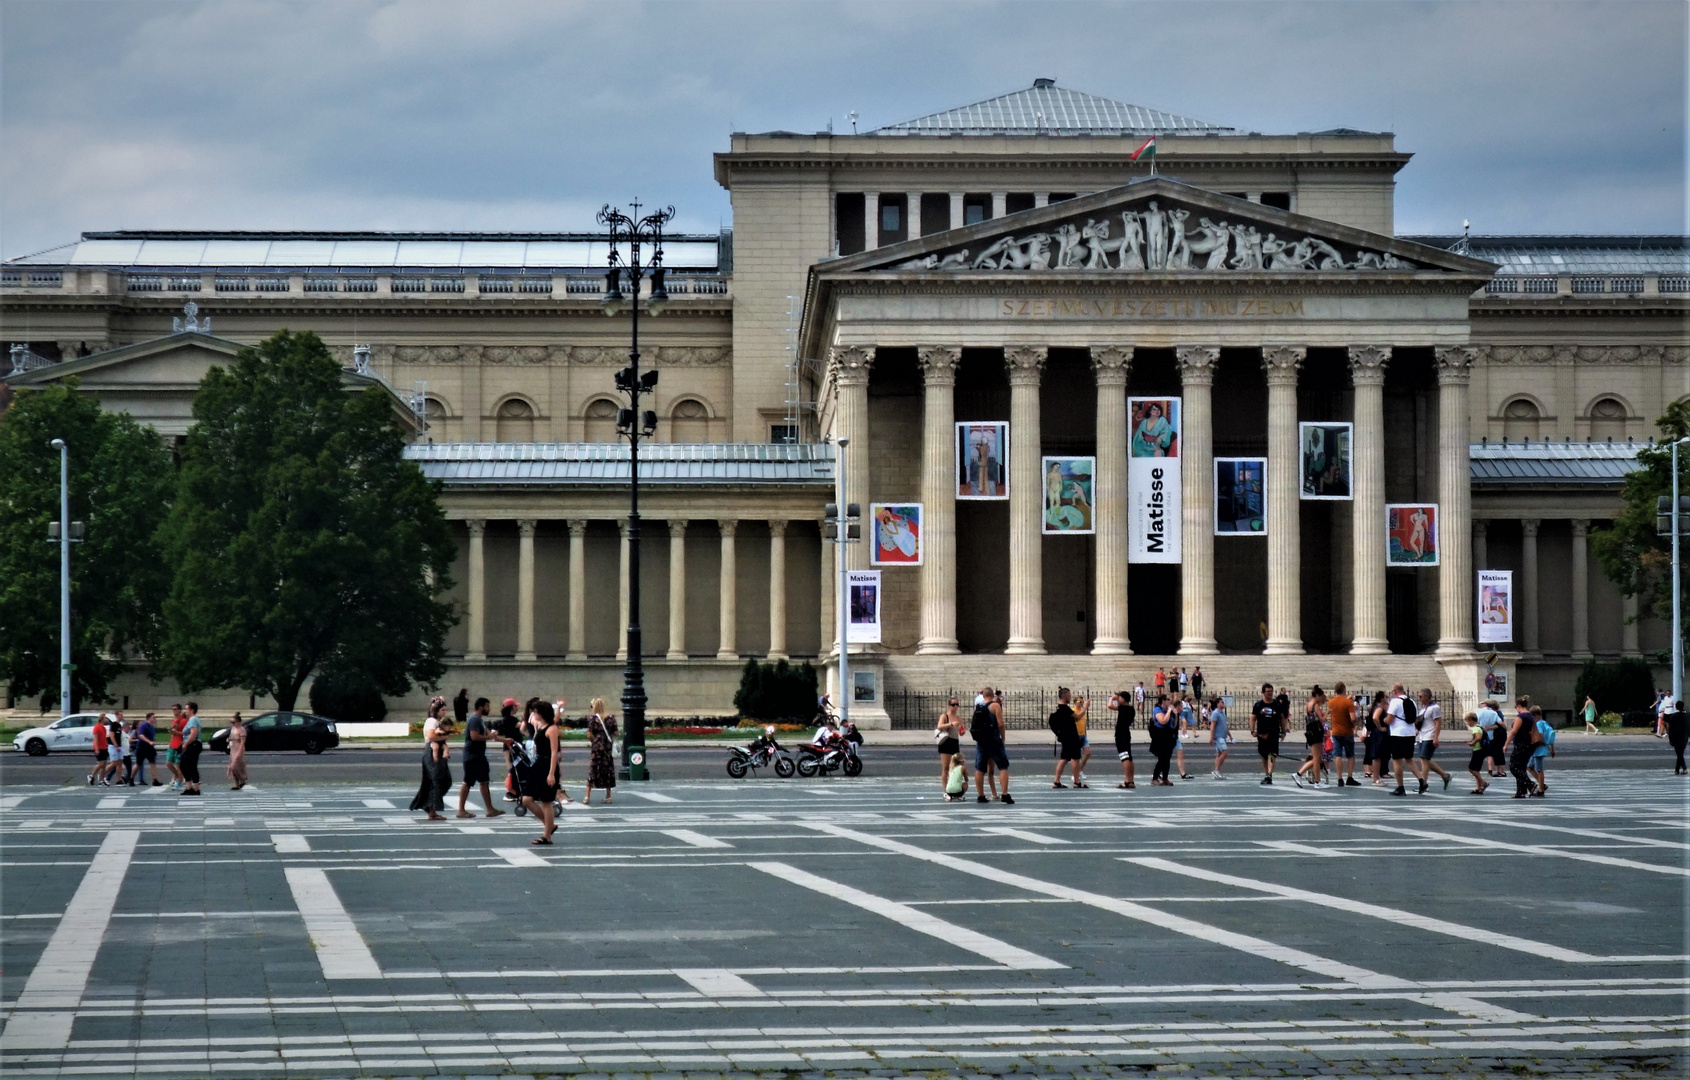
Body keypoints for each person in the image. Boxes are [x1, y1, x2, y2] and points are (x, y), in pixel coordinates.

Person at [457, 697, 506, 818]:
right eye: (487, 706)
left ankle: (490, 809)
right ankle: (461, 810)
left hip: (479, 756)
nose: (489, 709)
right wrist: (489, 738)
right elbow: (474, 736)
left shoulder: (480, 720)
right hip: (472, 756)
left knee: (484, 781)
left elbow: (490, 734)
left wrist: (506, 740)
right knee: (468, 782)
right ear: (481, 707)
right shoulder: (474, 720)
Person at [522, 700, 560, 842]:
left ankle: (547, 835)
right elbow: (527, 724)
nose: (533, 714)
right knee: (527, 799)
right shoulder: (540, 726)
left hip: (547, 765)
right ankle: (549, 825)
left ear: (541, 713)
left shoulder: (552, 729)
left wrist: (551, 773)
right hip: (537, 764)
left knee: (546, 801)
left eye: (536, 711)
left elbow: (554, 752)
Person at [971, 686, 1012, 804]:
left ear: (983, 696)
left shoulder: (978, 707)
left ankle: (981, 795)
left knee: (980, 768)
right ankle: (1004, 794)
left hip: (981, 741)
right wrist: (1002, 737)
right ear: (993, 695)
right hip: (993, 740)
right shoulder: (995, 706)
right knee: (1003, 766)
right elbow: (1000, 724)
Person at [411, 711, 452, 820]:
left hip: (437, 753)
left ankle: (429, 805)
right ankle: (431, 809)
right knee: (436, 782)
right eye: (442, 709)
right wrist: (444, 738)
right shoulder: (432, 721)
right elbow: (431, 737)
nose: (444, 712)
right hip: (433, 753)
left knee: (442, 781)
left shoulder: (436, 722)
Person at [1383, 683, 1417, 797]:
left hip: (1398, 734)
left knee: (1397, 760)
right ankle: (1422, 781)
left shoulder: (1395, 702)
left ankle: (1400, 787)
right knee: (1409, 759)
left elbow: (1389, 719)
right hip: (1410, 733)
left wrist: (1384, 720)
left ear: (1396, 691)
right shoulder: (1412, 701)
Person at [1414, 688, 1450, 793]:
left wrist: (1436, 737)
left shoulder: (1434, 708)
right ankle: (1445, 775)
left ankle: (1423, 783)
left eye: (1421, 696)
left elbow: (1438, 723)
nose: (1419, 698)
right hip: (1422, 736)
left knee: (1424, 759)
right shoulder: (1423, 708)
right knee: (1425, 759)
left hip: (1429, 736)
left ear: (1427, 696)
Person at [1049, 688, 1087, 789]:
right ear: (1065, 695)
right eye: (1069, 695)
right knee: (1075, 758)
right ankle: (1077, 781)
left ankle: (1056, 781)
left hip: (1065, 737)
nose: (1070, 697)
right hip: (1071, 737)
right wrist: (1085, 707)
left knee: (1064, 758)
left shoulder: (1059, 708)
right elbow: (1077, 716)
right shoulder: (1065, 708)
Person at [1503, 695, 1537, 799]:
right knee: (1521, 767)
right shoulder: (1531, 716)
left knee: (1513, 767)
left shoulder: (1521, 717)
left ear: (1518, 706)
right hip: (1529, 745)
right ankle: (1521, 791)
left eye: (1516, 708)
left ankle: (1530, 784)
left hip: (1520, 744)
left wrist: (1506, 745)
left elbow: (1514, 732)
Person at [583, 698, 616, 806]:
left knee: (593, 770)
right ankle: (608, 795)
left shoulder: (593, 719)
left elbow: (589, 734)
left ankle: (587, 796)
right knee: (608, 770)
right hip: (608, 748)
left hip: (597, 748)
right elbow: (616, 732)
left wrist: (595, 741)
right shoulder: (610, 718)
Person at [1250, 683, 1284, 785]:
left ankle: (1269, 774)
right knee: (1264, 755)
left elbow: (1282, 718)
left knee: (1271, 754)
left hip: (1274, 732)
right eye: (1268, 691)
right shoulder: (1258, 705)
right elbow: (1253, 718)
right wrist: (1252, 731)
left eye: (1271, 691)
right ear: (1263, 693)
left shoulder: (1277, 704)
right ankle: (1267, 774)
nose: (1270, 693)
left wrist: (1283, 731)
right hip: (1262, 733)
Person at [935, 698, 968, 799]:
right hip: (946, 741)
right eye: (953, 705)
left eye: (957, 705)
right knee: (946, 768)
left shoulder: (958, 717)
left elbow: (961, 730)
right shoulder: (945, 716)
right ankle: (946, 791)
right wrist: (951, 724)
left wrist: (962, 731)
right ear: (949, 706)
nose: (955, 707)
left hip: (954, 741)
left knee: (955, 768)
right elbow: (939, 726)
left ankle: (955, 790)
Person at [1294, 686, 1326, 789]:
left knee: (1316, 758)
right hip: (1316, 732)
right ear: (1317, 695)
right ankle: (1315, 780)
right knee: (1317, 758)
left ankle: (1302, 775)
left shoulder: (1309, 704)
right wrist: (1329, 711)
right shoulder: (1315, 705)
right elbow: (1322, 719)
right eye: (1320, 697)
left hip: (1311, 732)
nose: (1321, 699)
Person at [1147, 694, 1177, 786]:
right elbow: (1163, 721)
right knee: (1162, 758)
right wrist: (1169, 711)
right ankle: (1155, 778)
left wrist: (1176, 715)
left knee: (1167, 758)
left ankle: (1165, 778)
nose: (1170, 701)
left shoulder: (1169, 711)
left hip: (1169, 734)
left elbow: (1174, 725)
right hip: (1160, 735)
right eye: (1168, 699)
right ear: (1163, 701)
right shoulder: (1158, 709)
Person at [1110, 691, 1136, 789]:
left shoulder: (1122, 708)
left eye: (1120, 698)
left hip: (1121, 734)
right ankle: (1131, 780)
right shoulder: (1131, 709)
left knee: (1124, 757)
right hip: (1126, 733)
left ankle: (1127, 781)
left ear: (1123, 699)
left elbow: (1110, 706)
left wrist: (1113, 699)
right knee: (1129, 757)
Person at [1529, 707, 1556, 796]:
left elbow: (1539, 735)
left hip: (1538, 748)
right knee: (1529, 766)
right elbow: (1550, 738)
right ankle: (1542, 784)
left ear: (1535, 715)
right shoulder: (1545, 723)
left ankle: (1541, 790)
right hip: (1541, 748)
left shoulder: (1539, 724)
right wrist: (1552, 749)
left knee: (1539, 769)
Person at [179, 702, 204, 797]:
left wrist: (186, 743)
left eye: (187, 709)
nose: (185, 711)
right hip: (193, 744)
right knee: (188, 766)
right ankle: (191, 788)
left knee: (186, 765)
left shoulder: (193, 719)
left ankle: (194, 788)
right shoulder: (192, 719)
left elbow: (194, 733)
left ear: (192, 710)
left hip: (193, 745)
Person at [1464, 713, 1490, 794]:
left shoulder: (1475, 728)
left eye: (1467, 722)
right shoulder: (1480, 727)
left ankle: (1484, 783)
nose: (1467, 724)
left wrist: (1472, 743)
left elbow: (1478, 737)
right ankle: (1478, 788)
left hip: (1478, 750)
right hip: (1482, 750)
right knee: (1476, 770)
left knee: (1471, 769)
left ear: (1470, 720)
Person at [226, 712, 249, 791]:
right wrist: (230, 739)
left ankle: (242, 779)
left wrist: (240, 752)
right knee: (232, 767)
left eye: (233, 722)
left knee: (235, 766)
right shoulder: (233, 729)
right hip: (233, 748)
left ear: (238, 722)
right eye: (231, 722)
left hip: (239, 748)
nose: (232, 724)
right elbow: (234, 737)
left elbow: (242, 741)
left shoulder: (242, 730)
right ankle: (237, 784)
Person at [135, 712, 158, 787]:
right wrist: (149, 742)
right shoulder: (144, 725)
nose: (155, 719)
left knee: (153, 763)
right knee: (138, 764)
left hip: (150, 748)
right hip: (142, 747)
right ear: (149, 718)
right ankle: (131, 778)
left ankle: (155, 780)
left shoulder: (152, 727)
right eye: (153, 717)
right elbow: (141, 735)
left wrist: (153, 742)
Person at [1209, 697, 1230, 778]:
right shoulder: (1215, 713)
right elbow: (1213, 726)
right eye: (1222, 702)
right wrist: (1211, 737)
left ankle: (1216, 771)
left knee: (1219, 754)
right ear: (1218, 704)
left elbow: (1225, 725)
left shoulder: (1222, 713)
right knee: (1225, 752)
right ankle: (1216, 770)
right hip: (1218, 737)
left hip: (1223, 736)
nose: (1223, 703)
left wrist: (1230, 735)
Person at [1666, 701, 1688, 775]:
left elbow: (1671, 729)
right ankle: (1677, 769)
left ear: (1676, 707)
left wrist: (1670, 739)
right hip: (1684, 737)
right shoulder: (1687, 716)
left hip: (1676, 737)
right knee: (1680, 753)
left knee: (1679, 753)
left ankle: (1684, 768)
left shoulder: (1673, 716)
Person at [88, 714, 111, 787]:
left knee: (104, 764)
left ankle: (101, 779)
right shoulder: (97, 727)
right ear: (101, 719)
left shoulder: (103, 728)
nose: (106, 720)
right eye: (105, 718)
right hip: (99, 747)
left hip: (104, 747)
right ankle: (91, 775)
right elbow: (95, 738)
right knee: (101, 763)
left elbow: (103, 738)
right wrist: (97, 748)